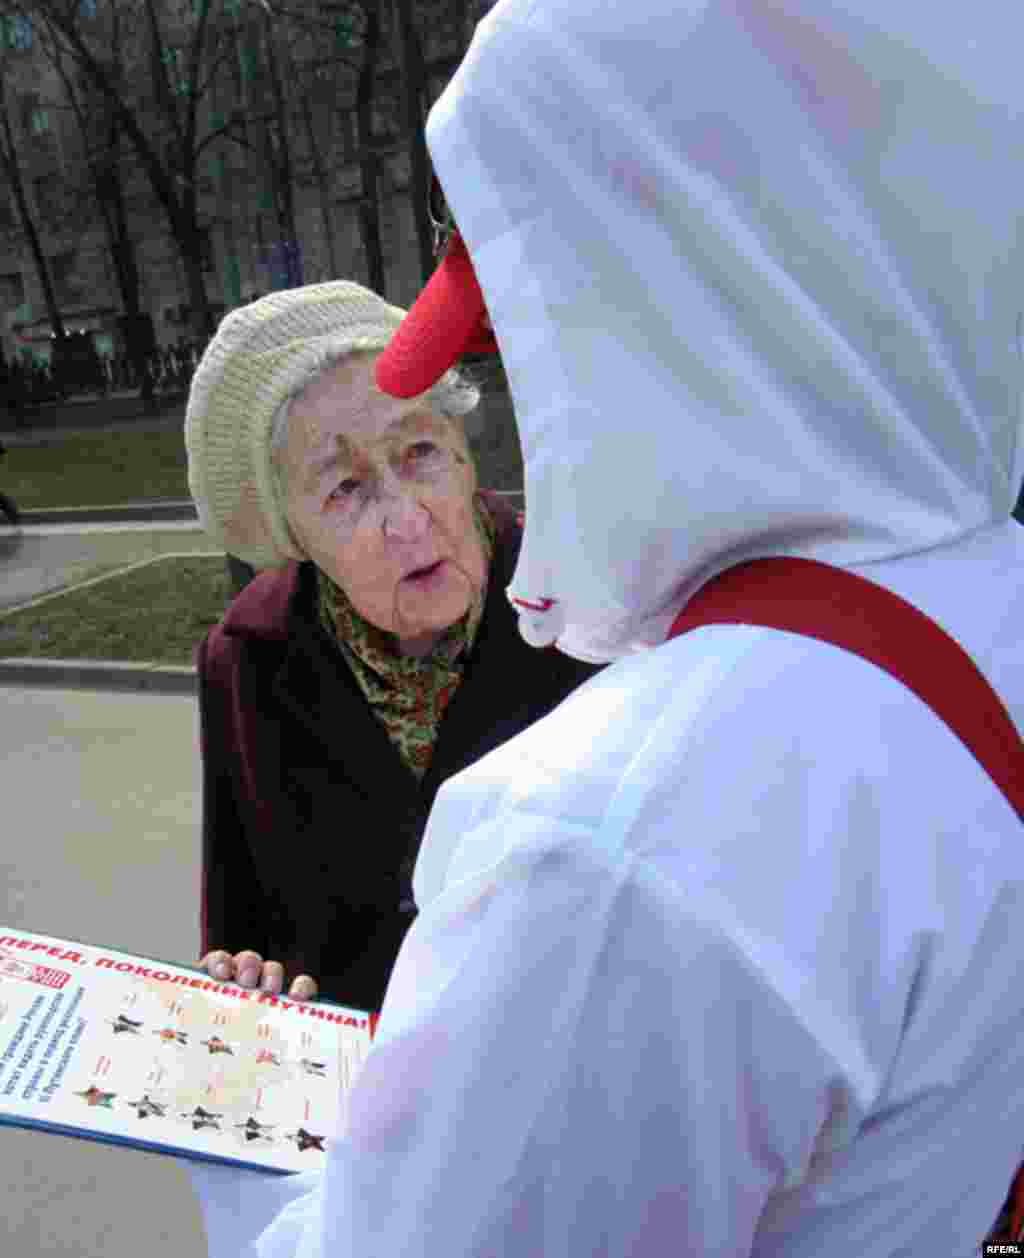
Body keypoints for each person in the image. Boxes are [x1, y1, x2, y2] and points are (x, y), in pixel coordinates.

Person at [188, 1, 1024, 1254]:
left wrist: (233, 1147)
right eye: (345, 487)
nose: (413, 509)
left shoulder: (609, 848)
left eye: (525, 346)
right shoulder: (972, 584)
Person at [184, 282, 601, 1014]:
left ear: (466, 455)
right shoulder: (246, 658)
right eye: (345, 489)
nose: (406, 520)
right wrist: (246, 982)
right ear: (293, 536)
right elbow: (240, 920)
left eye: (419, 452)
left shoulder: (593, 605)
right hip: (359, 1096)